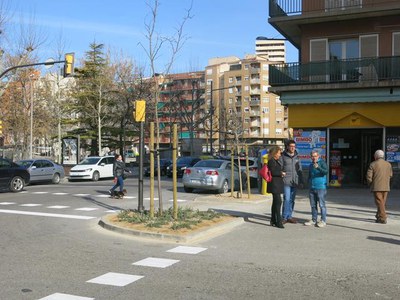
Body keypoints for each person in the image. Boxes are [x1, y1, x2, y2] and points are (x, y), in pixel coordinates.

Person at [366, 150, 393, 224]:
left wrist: (370, 184)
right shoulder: (388, 164)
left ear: (376, 156)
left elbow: (369, 176)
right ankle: (378, 215)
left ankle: (383, 218)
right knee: (382, 202)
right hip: (386, 186)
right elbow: (390, 175)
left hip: (377, 186)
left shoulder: (373, 164)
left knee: (379, 202)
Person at [304, 150, 328, 228]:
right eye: (312, 156)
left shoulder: (322, 163)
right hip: (312, 187)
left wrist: (318, 167)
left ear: (318, 156)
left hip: (320, 187)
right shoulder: (311, 165)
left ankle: (323, 220)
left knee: (322, 205)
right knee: (313, 205)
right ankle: (314, 220)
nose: (314, 158)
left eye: (315, 156)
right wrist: (307, 183)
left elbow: (326, 172)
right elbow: (310, 175)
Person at [281, 140, 303, 224]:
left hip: (295, 181)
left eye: (294, 146)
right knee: (286, 199)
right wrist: (280, 173)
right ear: (287, 147)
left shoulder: (297, 156)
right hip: (286, 181)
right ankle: (284, 217)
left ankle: (289, 216)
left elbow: (300, 169)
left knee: (292, 200)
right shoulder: (283, 156)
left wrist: (301, 181)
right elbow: (279, 167)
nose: (293, 148)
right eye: (291, 146)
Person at [267, 146, 285, 229]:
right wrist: (281, 173)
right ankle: (278, 221)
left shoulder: (275, 160)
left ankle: (273, 219)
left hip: (276, 184)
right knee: (278, 202)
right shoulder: (271, 161)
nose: (280, 154)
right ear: (275, 153)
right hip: (274, 185)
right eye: (279, 153)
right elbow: (273, 171)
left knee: (275, 203)